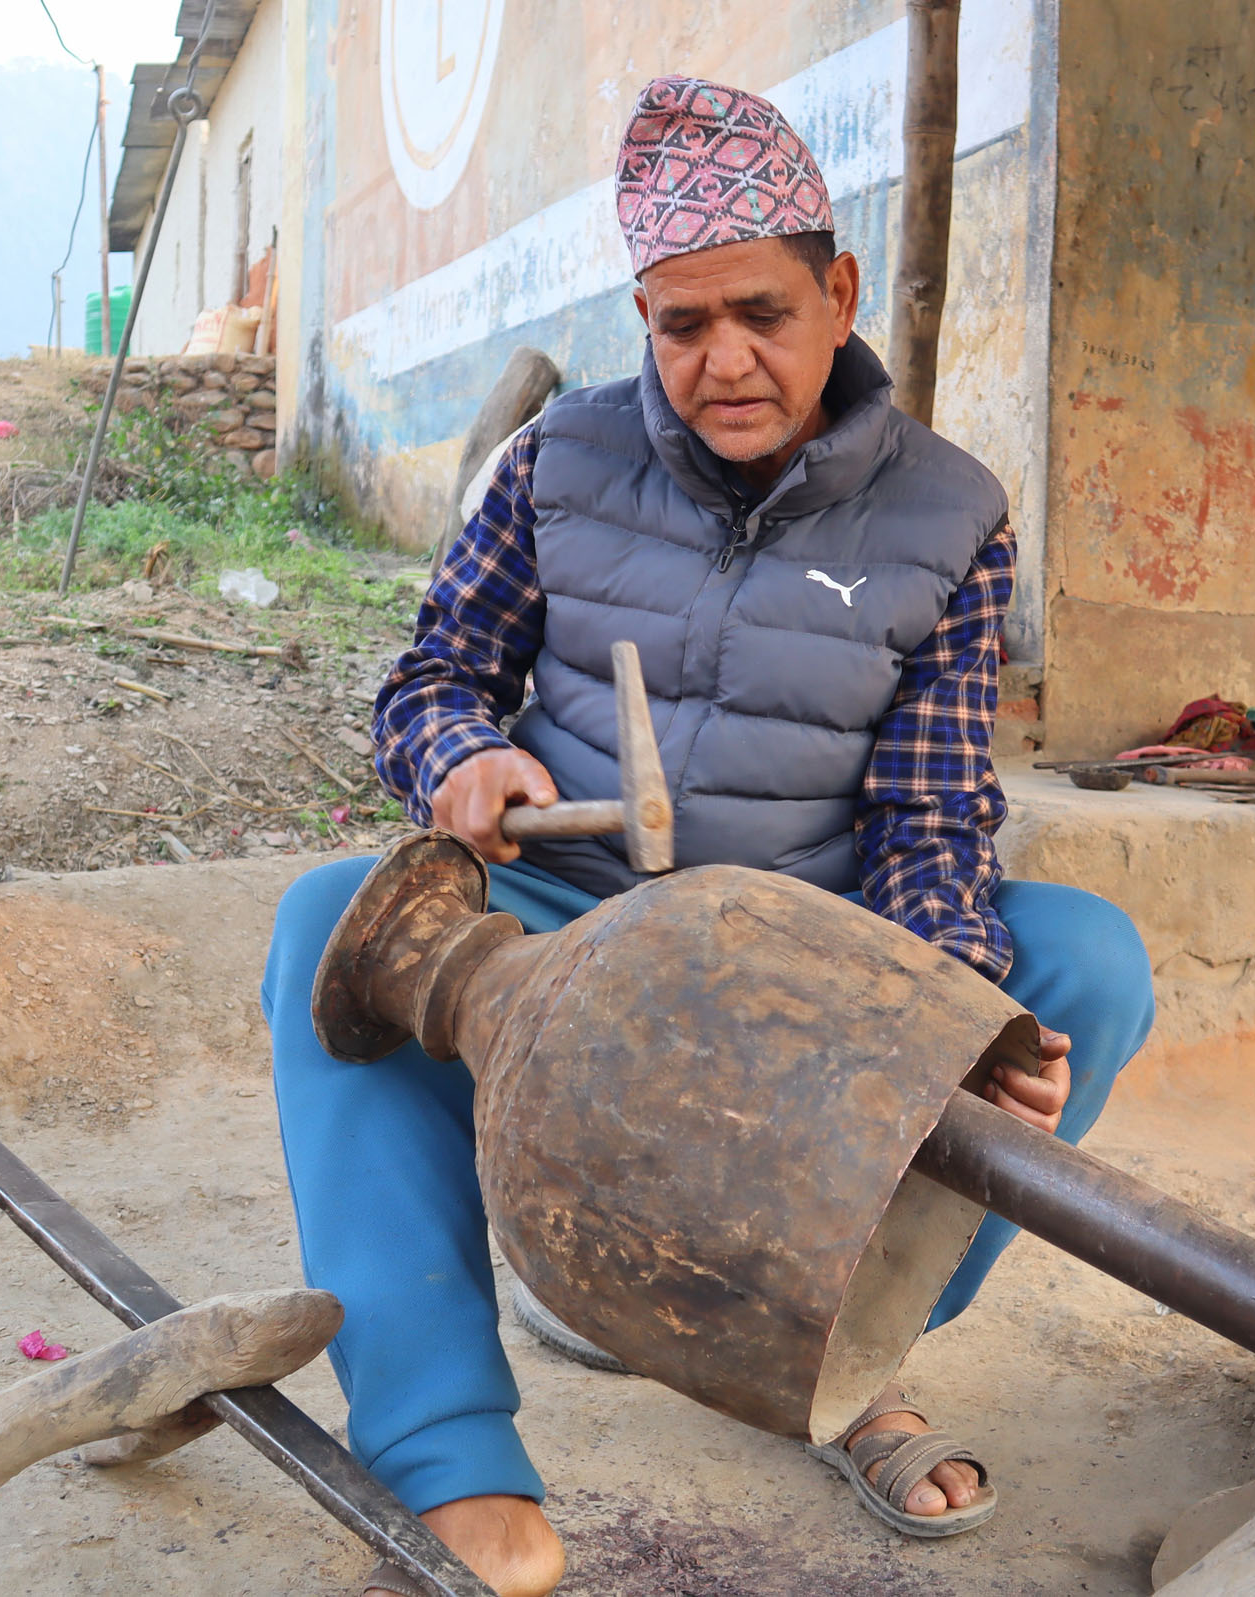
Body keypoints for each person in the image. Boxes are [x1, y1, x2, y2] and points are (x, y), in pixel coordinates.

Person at [261, 76, 1155, 1597]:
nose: (723, 361)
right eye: (681, 326)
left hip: (810, 931)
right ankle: (445, 1444)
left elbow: (933, 819)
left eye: (760, 312)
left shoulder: (955, 515)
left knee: (1081, 967)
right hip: (569, 908)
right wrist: (463, 750)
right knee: (324, 931)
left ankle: (834, 1350)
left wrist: (949, 1013)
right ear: (642, 320)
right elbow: (429, 680)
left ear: (839, 292)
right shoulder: (555, 464)